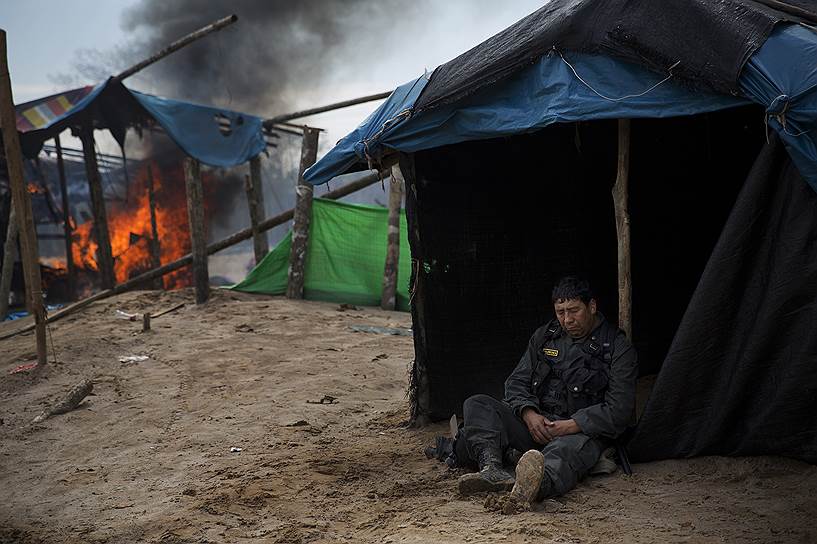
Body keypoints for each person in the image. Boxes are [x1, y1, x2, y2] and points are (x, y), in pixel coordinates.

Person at [450, 275, 638, 501]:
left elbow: (620, 410)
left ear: (592, 306)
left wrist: (571, 425)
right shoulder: (545, 337)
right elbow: (516, 382)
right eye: (561, 312)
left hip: (580, 432)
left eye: (574, 310)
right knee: (477, 404)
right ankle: (492, 469)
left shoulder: (617, 347)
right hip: (537, 425)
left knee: (564, 454)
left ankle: (534, 485)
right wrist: (529, 414)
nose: (567, 320)